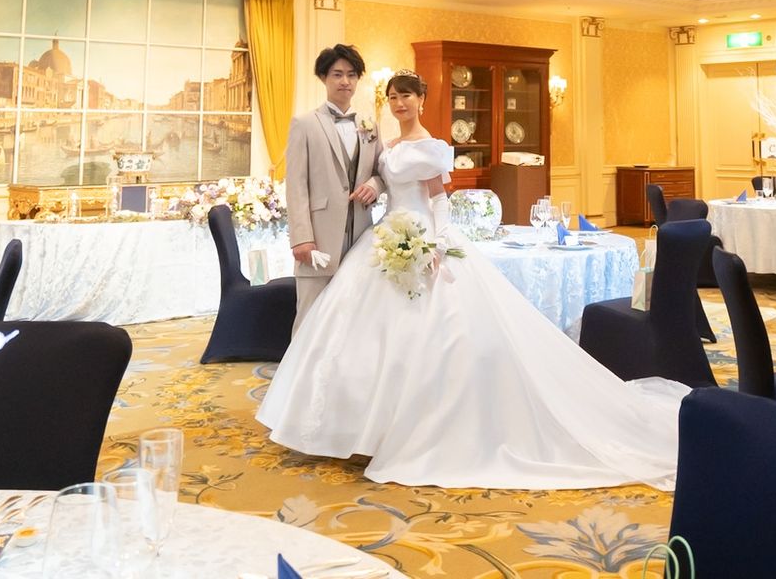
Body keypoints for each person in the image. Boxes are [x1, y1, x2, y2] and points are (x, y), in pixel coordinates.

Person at [258, 69, 689, 489]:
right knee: (359, 333)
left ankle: (411, 432)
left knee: (435, 335)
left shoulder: (430, 147)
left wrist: (437, 242)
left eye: (407, 95)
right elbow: (382, 181)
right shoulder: (386, 144)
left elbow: (439, 200)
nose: (400, 103)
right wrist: (375, 184)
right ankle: (353, 430)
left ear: (421, 100)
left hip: (424, 237)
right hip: (386, 236)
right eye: (393, 97)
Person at [285, 44, 385, 334]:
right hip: (319, 239)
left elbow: (382, 171)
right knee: (310, 319)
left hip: (360, 237)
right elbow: (296, 185)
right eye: (337, 74)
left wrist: (375, 185)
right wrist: (302, 238)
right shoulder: (304, 124)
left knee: (354, 318)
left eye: (352, 75)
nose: (345, 81)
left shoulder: (370, 126)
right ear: (323, 78)